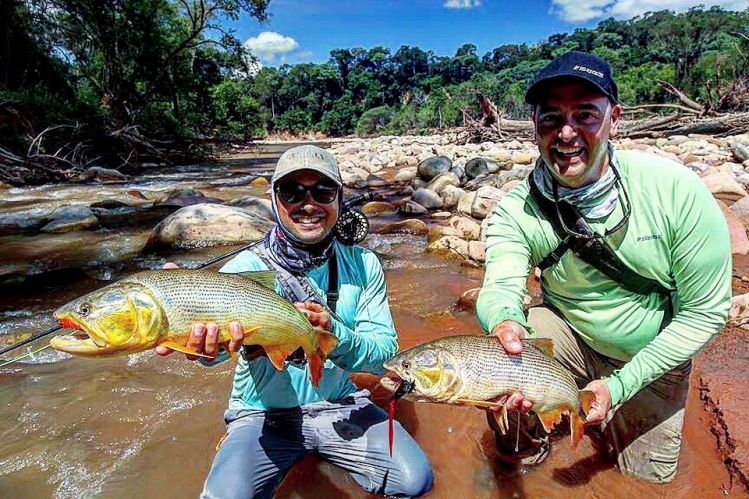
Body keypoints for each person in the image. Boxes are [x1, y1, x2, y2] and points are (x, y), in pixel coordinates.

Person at [476, 51, 732, 483]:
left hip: (651, 355)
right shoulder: (516, 211)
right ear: (533, 125)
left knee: (645, 482)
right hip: (568, 338)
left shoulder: (676, 192)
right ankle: (522, 455)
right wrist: (504, 322)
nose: (567, 133)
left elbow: (705, 312)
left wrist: (618, 386)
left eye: (585, 115)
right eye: (551, 118)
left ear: (615, 118)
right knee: (505, 390)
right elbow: (501, 285)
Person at [157, 145, 434, 498]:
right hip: (263, 415)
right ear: (275, 200)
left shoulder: (364, 265)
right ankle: (237, 445)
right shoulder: (242, 271)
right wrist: (202, 349)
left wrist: (338, 335)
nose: (308, 203)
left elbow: (385, 356)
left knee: (416, 482)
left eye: (323, 191)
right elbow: (215, 356)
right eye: (293, 192)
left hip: (340, 404)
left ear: (339, 199)